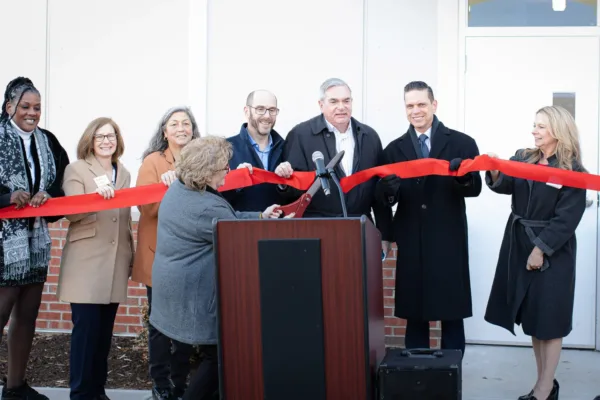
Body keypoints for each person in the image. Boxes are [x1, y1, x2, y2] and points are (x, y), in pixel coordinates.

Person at [149, 136, 292, 400]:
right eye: (224, 167)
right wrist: (277, 229)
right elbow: (236, 235)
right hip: (193, 294)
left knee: (203, 354)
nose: (228, 172)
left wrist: (261, 215)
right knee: (218, 357)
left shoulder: (182, 189)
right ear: (206, 170)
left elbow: (228, 221)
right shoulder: (206, 206)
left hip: (172, 286)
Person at [484, 106, 587, 400]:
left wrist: (541, 248)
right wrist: (494, 171)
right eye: (534, 125)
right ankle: (544, 382)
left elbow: (567, 218)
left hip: (553, 251)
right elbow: (506, 185)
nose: (534, 131)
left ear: (557, 130)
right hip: (519, 244)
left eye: (541, 126)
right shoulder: (523, 158)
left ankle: (544, 388)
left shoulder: (572, 172)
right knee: (533, 317)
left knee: (549, 320)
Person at [375, 81, 482, 356]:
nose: (416, 110)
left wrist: (463, 177)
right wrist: (388, 200)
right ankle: (418, 376)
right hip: (412, 240)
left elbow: (475, 189)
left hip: (448, 238)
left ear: (434, 105)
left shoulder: (461, 142)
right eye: (410, 105)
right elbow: (383, 200)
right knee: (415, 312)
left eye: (421, 104)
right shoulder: (393, 149)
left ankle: (452, 375)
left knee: (452, 314)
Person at [0, 77, 69, 400]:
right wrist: (6, 196)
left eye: (37, 108)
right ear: (9, 106)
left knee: (27, 314)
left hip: (37, 240)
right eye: (25, 106)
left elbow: (62, 182)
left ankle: (15, 387)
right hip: (4, 244)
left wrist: (47, 196)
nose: (32, 113)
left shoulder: (48, 141)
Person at [56, 117, 134, 400]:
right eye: (100, 136)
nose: (106, 141)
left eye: (111, 135)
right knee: (86, 335)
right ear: (90, 139)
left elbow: (124, 219)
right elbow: (73, 213)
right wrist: (94, 197)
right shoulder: (76, 169)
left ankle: (97, 392)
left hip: (115, 263)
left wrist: (131, 255)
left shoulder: (123, 172)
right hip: (87, 264)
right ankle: (80, 394)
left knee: (103, 337)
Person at [131, 106, 201, 400]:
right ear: (165, 131)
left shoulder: (201, 160)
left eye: (186, 123)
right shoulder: (153, 161)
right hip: (158, 254)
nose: (181, 128)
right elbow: (145, 208)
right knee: (160, 324)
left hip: (192, 256)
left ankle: (180, 382)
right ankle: (160, 384)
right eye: (175, 124)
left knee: (185, 323)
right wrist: (166, 188)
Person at [280, 78, 392, 250]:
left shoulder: (370, 137)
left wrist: (384, 234)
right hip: (314, 231)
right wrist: (283, 184)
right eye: (334, 101)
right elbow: (291, 188)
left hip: (359, 229)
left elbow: (380, 189)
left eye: (346, 101)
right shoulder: (300, 135)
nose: (341, 106)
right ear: (321, 104)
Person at [223, 90, 293, 210]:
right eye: (260, 109)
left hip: (279, 226)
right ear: (247, 111)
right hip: (241, 226)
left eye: (272, 110)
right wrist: (236, 181)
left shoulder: (287, 147)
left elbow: (297, 197)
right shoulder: (226, 148)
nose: (267, 116)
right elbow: (215, 197)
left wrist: (284, 185)